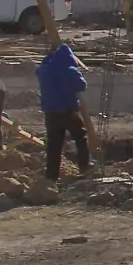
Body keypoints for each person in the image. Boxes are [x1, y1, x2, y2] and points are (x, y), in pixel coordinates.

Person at [36, 42, 92, 182]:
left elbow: (39, 71)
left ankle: (51, 175)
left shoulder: (44, 70)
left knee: (54, 145)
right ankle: (84, 167)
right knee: (80, 137)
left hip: (50, 112)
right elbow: (82, 85)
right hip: (68, 110)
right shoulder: (69, 69)